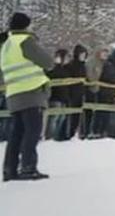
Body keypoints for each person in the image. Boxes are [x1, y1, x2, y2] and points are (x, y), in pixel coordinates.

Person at [1, 12, 54, 181]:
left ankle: (9, 169)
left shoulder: (6, 44)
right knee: (32, 131)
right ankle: (28, 167)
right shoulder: (25, 41)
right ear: (26, 25)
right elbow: (48, 62)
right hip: (31, 91)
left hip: (13, 93)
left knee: (16, 133)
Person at [46, 49, 71, 141]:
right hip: (55, 96)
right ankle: (49, 137)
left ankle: (56, 136)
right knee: (54, 118)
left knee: (61, 117)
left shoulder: (65, 69)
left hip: (63, 97)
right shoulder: (53, 68)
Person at [65, 45, 88, 139]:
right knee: (70, 114)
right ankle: (68, 133)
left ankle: (74, 132)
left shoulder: (83, 65)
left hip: (80, 92)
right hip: (72, 93)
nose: (83, 56)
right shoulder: (71, 65)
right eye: (81, 54)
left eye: (84, 54)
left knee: (77, 115)